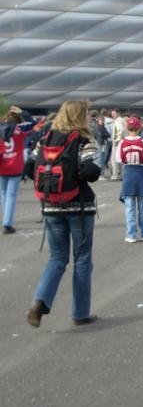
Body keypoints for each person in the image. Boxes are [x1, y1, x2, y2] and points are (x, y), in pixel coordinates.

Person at [24, 99, 101, 328]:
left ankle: (40, 300)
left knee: (57, 258)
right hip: (79, 208)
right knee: (82, 259)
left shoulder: (46, 138)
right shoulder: (84, 140)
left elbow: (29, 167)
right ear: (81, 115)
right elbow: (90, 172)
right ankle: (80, 312)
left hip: (50, 207)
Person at [116, 117, 143, 243]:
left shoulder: (122, 142)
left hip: (128, 174)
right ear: (139, 128)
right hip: (140, 174)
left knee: (129, 207)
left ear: (127, 128)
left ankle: (131, 234)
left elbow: (118, 158)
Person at [0, 106, 35, 234]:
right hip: (15, 165)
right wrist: (23, 113)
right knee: (11, 196)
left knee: (3, 194)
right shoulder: (20, 129)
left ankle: (6, 218)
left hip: (2, 165)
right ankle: (7, 222)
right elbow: (33, 124)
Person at [109, 109, 126, 181]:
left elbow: (120, 130)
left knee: (114, 159)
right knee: (122, 159)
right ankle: (123, 175)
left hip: (117, 143)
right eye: (112, 114)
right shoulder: (121, 120)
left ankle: (115, 175)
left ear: (117, 113)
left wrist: (117, 140)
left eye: (114, 114)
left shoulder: (118, 121)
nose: (113, 115)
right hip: (122, 142)